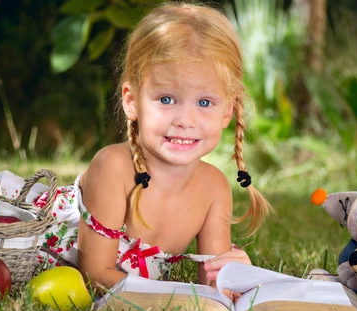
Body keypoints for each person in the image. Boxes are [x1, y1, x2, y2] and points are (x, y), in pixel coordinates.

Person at [38, 2, 273, 290]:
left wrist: (233, 277)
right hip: (29, 240)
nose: (185, 120)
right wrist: (179, 296)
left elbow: (214, 286)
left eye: (204, 102)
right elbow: (95, 275)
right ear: (132, 101)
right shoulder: (113, 168)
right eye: (166, 99)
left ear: (227, 110)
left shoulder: (214, 188)